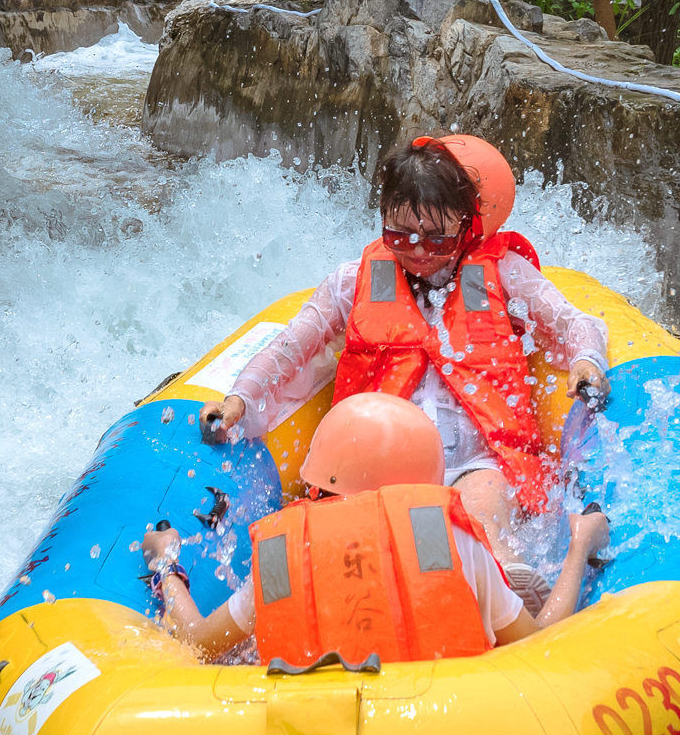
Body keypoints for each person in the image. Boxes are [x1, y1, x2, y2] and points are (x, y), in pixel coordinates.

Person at [196, 133, 607, 580]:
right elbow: (292, 347)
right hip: (381, 463)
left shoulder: (503, 273)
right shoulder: (352, 281)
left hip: (475, 461)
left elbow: (572, 323)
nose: (416, 251)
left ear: (466, 225)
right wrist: (239, 398)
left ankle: (508, 587)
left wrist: (586, 360)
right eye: (400, 234)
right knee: (352, 548)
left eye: (436, 239)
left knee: (485, 511)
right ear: (382, 219)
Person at [140, 392, 605, 661]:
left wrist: (166, 563)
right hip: (454, 729)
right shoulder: (453, 539)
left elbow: (198, 643)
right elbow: (539, 646)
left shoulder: (285, 552)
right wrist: (579, 546)